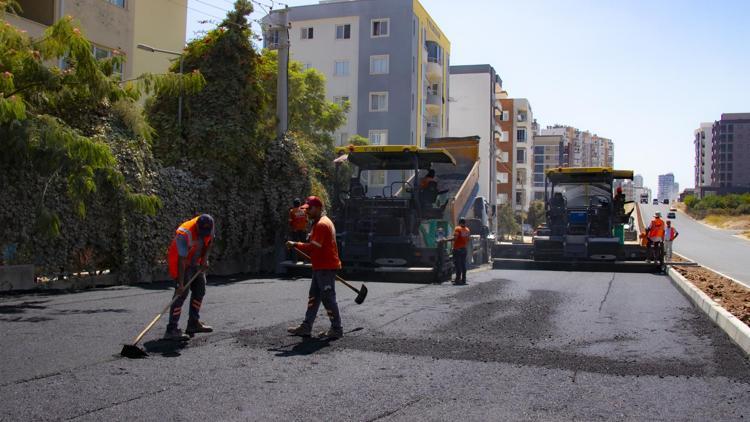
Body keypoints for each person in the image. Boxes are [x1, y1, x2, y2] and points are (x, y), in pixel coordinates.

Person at [286, 196, 344, 339]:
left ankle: (336, 328)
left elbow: (313, 247)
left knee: (328, 298)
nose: (307, 212)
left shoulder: (322, 225)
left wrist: (295, 244)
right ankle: (306, 327)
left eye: (309, 209)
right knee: (314, 297)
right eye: (306, 209)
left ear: (318, 208)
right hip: (321, 266)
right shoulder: (320, 222)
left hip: (325, 267)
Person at [165, 214, 215, 340]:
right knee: (181, 294)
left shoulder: (210, 226)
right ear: (197, 226)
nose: (204, 234)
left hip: (195, 262)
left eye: (206, 232)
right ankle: (171, 329)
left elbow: (209, 242)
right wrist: (180, 284)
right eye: (201, 232)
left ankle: (193, 323)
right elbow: (181, 260)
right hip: (180, 263)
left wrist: (204, 259)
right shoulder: (185, 233)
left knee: (200, 290)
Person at [446, 218, 471, 285]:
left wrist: (445, 240)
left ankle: (457, 280)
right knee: (463, 265)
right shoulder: (467, 230)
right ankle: (463, 280)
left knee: (457, 265)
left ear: (459, 223)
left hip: (457, 249)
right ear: (464, 223)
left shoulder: (458, 229)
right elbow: (468, 239)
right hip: (464, 249)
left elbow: (455, 238)